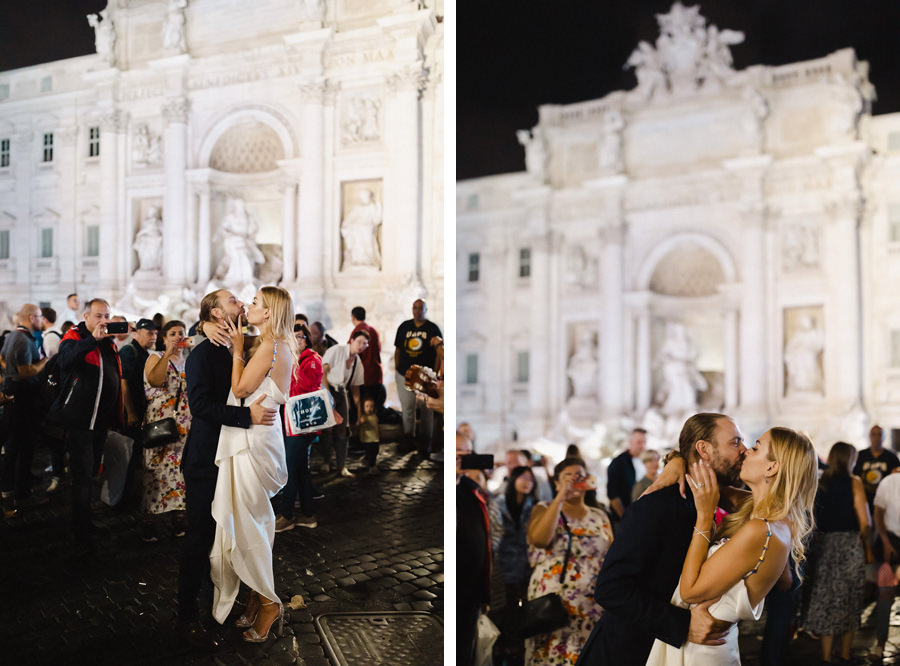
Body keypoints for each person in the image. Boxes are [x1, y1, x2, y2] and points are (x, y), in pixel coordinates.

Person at [577, 413, 746, 666]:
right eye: (735, 442)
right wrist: (683, 625)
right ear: (704, 449)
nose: (744, 450)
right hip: (630, 651)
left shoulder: (717, 502)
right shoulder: (658, 504)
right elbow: (611, 588)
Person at [643, 426, 818, 665]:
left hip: (701, 650)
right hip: (703, 640)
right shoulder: (773, 517)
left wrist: (705, 519)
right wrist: (675, 461)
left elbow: (690, 590)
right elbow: (706, 483)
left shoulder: (761, 529)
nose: (746, 451)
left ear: (771, 467)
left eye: (756, 448)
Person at [177, 289, 277, 650]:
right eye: (234, 300)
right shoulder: (203, 353)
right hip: (207, 459)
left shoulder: (244, 345)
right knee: (200, 534)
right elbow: (201, 405)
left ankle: (232, 597)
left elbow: (270, 331)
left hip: (240, 457)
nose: (241, 302)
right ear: (218, 314)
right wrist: (244, 416)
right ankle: (188, 609)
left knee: (235, 531)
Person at [210, 286, 297, 642]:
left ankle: (269, 602)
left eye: (257, 303)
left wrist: (235, 352)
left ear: (270, 313)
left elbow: (241, 389)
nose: (250, 306)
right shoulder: (277, 345)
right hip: (260, 436)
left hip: (253, 441)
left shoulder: (269, 347)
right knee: (254, 520)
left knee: (249, 523)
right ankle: (252, 599)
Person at [525, 457, 613, 665]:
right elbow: (539, 539)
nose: (575, 479)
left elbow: (611, 555)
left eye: (580, 475)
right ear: (556, 482)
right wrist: (560, 499)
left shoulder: (599, 516)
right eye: (568, 476)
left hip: (592, 605)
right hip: (554, 605)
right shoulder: (544, 508)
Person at [54, 299, 122, 550]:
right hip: (81, 421)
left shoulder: (107, 341)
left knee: (92, 472)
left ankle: (86, 521)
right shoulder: (74, 335)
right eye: (98, 315)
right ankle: (80, 530)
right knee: (82, 476)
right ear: (86, 316)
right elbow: (65, 362)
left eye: (107, 315)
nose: (103, 320)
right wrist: (91, 339)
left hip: (100, 421)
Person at [804, 442, 870, 664]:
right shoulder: (855, 483)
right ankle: (844, 655)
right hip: (849, 545)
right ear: (849, 459)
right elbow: (865, 523)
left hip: (824, 546)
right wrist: (868, 546)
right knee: (850, 599)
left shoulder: (820, 483)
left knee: (826, 599)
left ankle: (825, 657)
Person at [140, 320, 191, 542]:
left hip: (185, 425)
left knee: (180, 473)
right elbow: (155, 379)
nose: (178, 336)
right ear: (163, 337)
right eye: (172, 333)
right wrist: (167, 355)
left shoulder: (189, 361)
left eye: (181, 333)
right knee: (156, 472)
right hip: (160, 421)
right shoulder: (154, 357)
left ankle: (179, 520)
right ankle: (149, 523)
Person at [275, 322, 323, 532]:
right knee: (301, 469)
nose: (298, 340)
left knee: (290, 467)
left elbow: (304, 386)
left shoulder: (312, 359)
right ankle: (308, 514)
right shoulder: (290, 358)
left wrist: (292, 362)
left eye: (301, 337)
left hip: (303, 422)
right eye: (294, 337)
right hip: (289, 421)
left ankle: (286, 514)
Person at [0, 304, 48, 507]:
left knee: (15, 443)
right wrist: (44, 362)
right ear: (30, 317)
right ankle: (21, 491)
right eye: (39, 316)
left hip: (13, 391)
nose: (41, 319)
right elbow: (25, 372)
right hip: (23, 395)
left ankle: (12, 486)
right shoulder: (22, 338)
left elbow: (2, 359)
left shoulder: (11, 336)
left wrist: (8, 376)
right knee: (24, 444)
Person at [496, 465, 539, 666]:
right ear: (513, 480)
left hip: (525, 567)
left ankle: (518, 650)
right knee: (503, 609)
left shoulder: (537, 507)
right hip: (501, 567)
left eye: (530, 479)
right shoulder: (498, 504)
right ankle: (504, 649)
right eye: (522, 477)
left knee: (522, 610)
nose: (526, 482)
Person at [393, 298, 442, 455]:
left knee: (426, 409)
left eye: (421, 308)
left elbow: (438, 354)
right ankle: (408, 438)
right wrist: (397, 367)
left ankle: (425, 442)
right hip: (404, 373)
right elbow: (398, 349)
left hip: (425, 376)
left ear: (426, 310)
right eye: (415, 307)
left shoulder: (432, 328)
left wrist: (434, 374)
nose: (418, 310)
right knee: (407, 408)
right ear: (412, 309)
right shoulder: (404, 327)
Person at [320, 330, 369, 476]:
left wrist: (359, 413)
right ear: (351, 340)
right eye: (359, 342)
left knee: (343, 429)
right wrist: (328, 396)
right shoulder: (337, 350)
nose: (361, 346)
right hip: (326, 388)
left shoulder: (357, 362)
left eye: (365, 344)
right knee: (327, 428)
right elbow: (323, 372)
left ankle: (341, 466)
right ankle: (326, 461)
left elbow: (355, 390)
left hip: (341, 392)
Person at [871, 467, 900, 659]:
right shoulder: (888, 482)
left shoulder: (888, 481)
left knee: (885, 594)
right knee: (885, 594)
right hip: (890, 541)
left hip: (889, 541)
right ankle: (880, 643)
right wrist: (886, 541)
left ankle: (880, 645)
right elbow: (878, 514)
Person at [606, 428, 647, 528]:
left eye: (644, 442)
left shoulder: (646, 461)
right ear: (631, 442)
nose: (642, 446)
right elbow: (612, 495)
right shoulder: (618, 463)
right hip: (623, 520)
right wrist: (625, 517)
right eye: (639, 442)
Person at [348, 306, 385, 417]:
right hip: (375, 374)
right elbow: (379, 350)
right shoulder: (373, 331)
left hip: (362, 376)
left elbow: (352, 353)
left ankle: (362, 433)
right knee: (373, 410)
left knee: (361, 409)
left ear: (353, 317)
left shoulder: (357, 332)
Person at [854, 424, 899, 512]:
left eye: (879, 434)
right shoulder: (860, 455)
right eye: (873, 434)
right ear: (869, 436)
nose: (876, 438)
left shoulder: (892, 457)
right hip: (864, 499)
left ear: (884, 437)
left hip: (884, 500)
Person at [359, 397, 381, 473]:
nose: (369, 408)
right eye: (367, 406)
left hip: (375, 438)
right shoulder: (364, 417)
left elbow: (377, 425)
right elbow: (359, 423)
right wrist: (362, 421)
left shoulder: (374, 416)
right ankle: (372, 467)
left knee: (375, 452)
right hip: (367, 439)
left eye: (371, 406)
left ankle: (369, 461)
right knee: (370, 453)